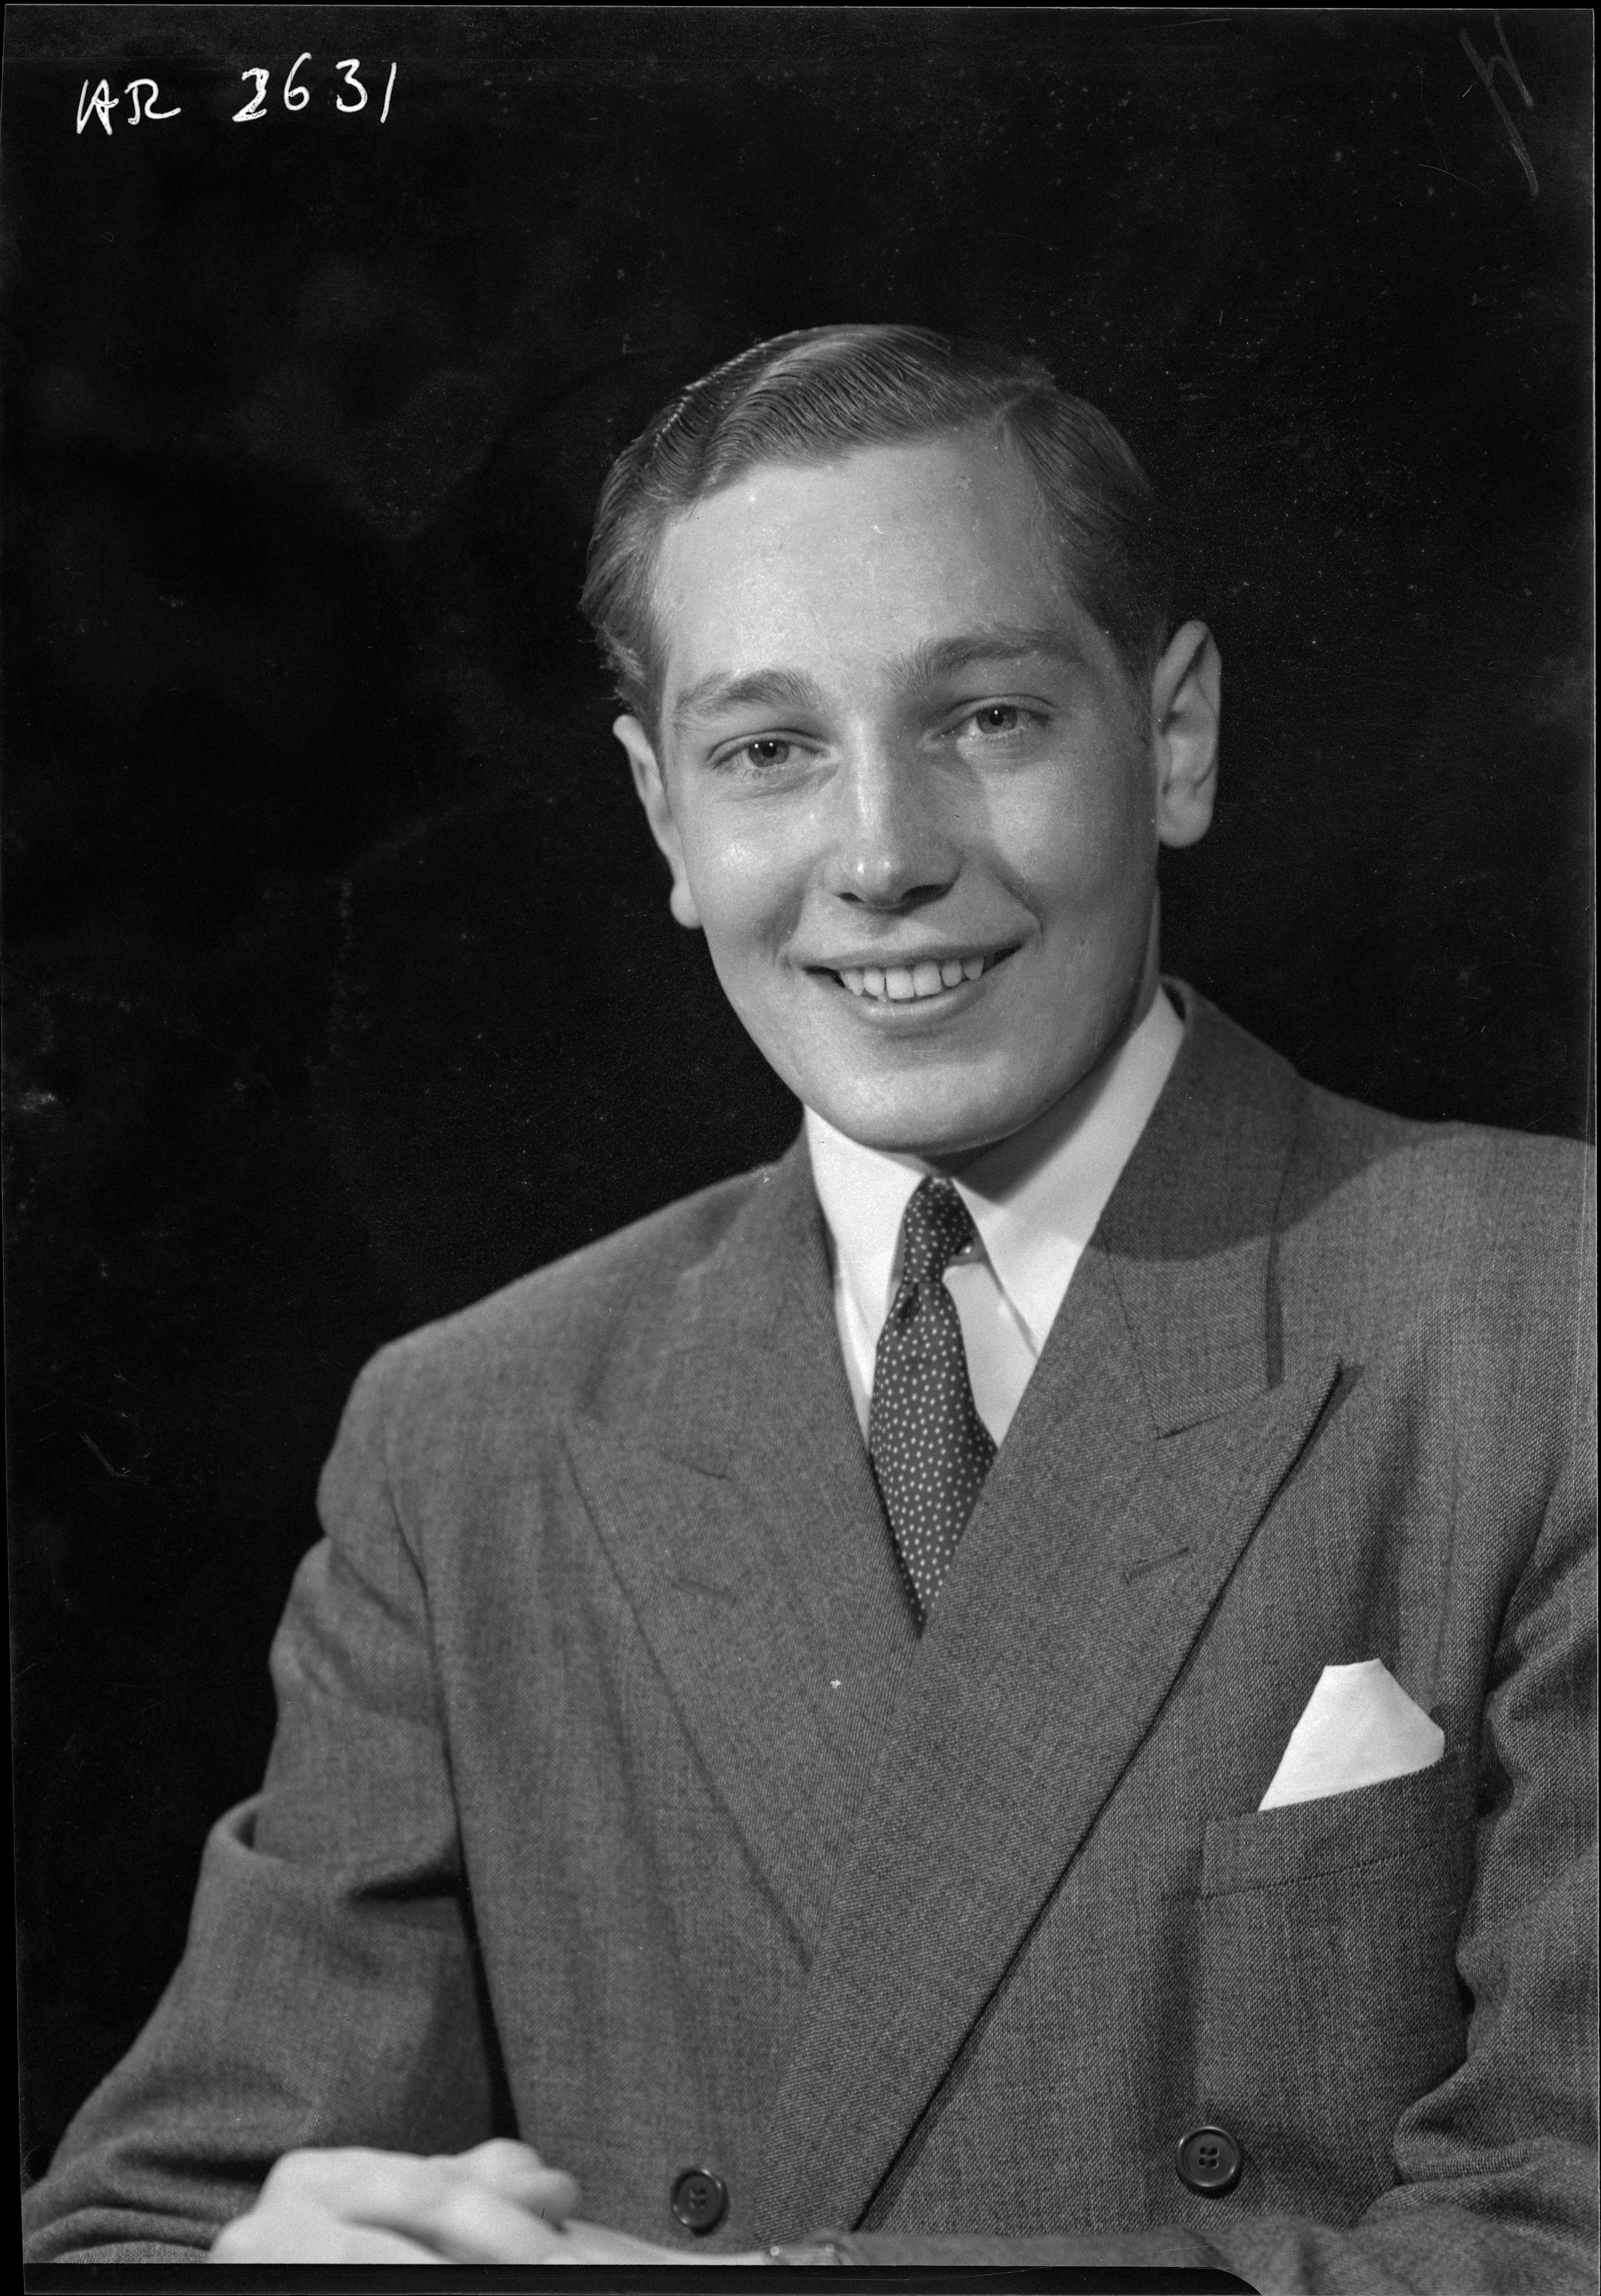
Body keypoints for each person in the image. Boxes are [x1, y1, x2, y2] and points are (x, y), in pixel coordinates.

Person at [20, 326, 1595, 2289]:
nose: (881, 857)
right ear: (664, 819)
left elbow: (1566, 2240)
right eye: (769, 752)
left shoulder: (1541, 1313)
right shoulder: (472, 1436)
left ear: (1175, 736)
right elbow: (132, 2231)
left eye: (990, 719)